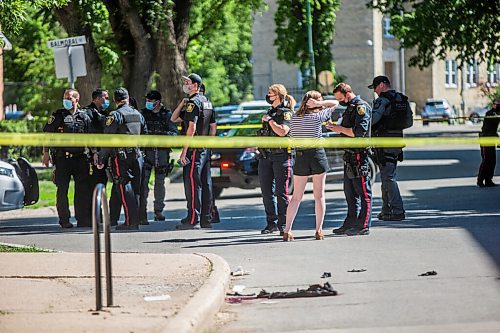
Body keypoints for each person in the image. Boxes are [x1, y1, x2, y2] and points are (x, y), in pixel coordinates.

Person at [282, 91, 339, 241]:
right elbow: (336, 103)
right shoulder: (318, 116)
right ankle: (318, 230)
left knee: (296, 197)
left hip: (300, 156)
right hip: (317, 156)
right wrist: (320, 104)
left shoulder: (294, 117)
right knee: (319, 195)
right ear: (314, 103)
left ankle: (287, 230)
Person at [96, 87, 146, 231]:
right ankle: (134, 219)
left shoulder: (115, 115)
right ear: (128, 98)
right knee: (135, 189)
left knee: (123, 186)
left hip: (121, 156)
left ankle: (131, 222)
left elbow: (108, 139)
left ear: (114, 100)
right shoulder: (138, 114)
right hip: (137, 155)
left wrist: (101, 158)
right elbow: (144, 133)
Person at [171, 73, 217, 229]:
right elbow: (213, 127)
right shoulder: (207, 102)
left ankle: (192, 219)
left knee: (192, 183)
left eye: (188, 82)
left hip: (194, 149)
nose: (185, 84)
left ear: (196, 85)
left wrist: (184, 151)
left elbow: (191, 128)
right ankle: (206, 218)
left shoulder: (193, 104)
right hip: (204, 148)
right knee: (206, 183)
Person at [42, 88, 92, 228]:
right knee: (62, 189)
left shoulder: (84, 116)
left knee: (82, 190)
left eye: (69, 98)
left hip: (81, 158)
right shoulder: (58, 115)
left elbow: (91, 138)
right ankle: (64, 220)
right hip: (62, 158)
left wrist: (95, 155)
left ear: (77, 100)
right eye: (65, 97)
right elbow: (47, 134)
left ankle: (82, 219)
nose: (66, 100)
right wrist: (46, 153)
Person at [329, 83, 372, 236]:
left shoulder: (361, 107)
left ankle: (363, 225)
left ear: (347, 94)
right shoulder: (350, 107)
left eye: (340, 98)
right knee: (349, 192)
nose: (339, 101)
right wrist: (336, 127)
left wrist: (339, 129)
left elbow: (359, 132)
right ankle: (350, 223)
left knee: (363, 192)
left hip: (359, 154)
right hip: (349, 154)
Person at [369, 75, 408, 221]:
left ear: (381, 85)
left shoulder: (382, 100)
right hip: (396, 142)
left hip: (384, 143)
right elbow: (407, 122)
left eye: (375, 88)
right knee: (386, 176)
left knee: (388, 177)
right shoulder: (401, 99)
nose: (375, 91)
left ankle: (398, 210)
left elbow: (373, 120)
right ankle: (386, 210)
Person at [257, 84, 295, 235]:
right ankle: (271, 223)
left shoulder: (285, 113)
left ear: (278, 96)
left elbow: (283, 131)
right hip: (266, 156)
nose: (268, 96)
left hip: (281, 156)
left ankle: (283, 224)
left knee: (282, 193)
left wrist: (270, 121)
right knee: (266, 192)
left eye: (270, 94)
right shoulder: (270, 112)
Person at [139, 90, 178, 224]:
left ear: (158, 102)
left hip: (161, 153)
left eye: (151, 101)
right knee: (143, 184)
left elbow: (174, 133)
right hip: (147, 153)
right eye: (147, 100)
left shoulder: (167, 115)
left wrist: (161, 136)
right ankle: (141, 212)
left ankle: (158, 211)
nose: (149, 103)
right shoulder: (143, 114)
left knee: (159, 184)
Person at [199, 83, 221, 223]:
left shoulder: (201, 105)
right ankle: (208, 213)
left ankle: (208, 213)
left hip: (200, 148)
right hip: (205, 148)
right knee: (206, 182)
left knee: (202, 182)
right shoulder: (208, 105)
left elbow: (213, 126)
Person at [84, 88, 111, 187]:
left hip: (103, 153)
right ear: (97, 99)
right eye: (106, 98)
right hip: (91, 154)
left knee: (102, 180)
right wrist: (94, 151)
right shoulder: (87, 113)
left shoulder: (105, 113)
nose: (108, 100)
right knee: (92, 183)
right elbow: (88, 134)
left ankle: (99, 201)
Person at [477, 98, 500, 187]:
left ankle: (488, 179)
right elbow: (493, 122)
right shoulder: (490, 113)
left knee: (492, 161)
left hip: (492, 138)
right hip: (485, 138)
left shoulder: (497, 113)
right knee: (486, 160)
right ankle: (480, 180)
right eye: (497, 104)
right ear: (493, 105)